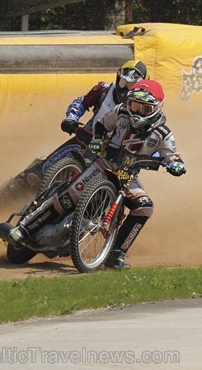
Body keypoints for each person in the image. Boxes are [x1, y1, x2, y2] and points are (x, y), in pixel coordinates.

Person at [87, 79, 186, 269]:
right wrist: (98, 141)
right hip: (101, 164)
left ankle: (116, 253)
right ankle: (29, 224)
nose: (137, 111)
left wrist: (176, 165)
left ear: (156, 108)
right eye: (135, 105)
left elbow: (172, 155)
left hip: (126, 176)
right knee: (72, 192)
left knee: (145, 207)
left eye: (144, 108)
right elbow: (100, 125)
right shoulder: (121, 112)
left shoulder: (163, 133)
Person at [10, 60, 148, 191]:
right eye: (123, 82)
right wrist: (71, 118)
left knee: (114, 188)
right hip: (84, 139)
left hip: (111, 155)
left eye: (130, 85)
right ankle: (12, 189)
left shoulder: (144, 108)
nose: (124, 88)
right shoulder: (103, 89)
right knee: (40, 172)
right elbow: (81, 103)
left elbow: (149, 136)